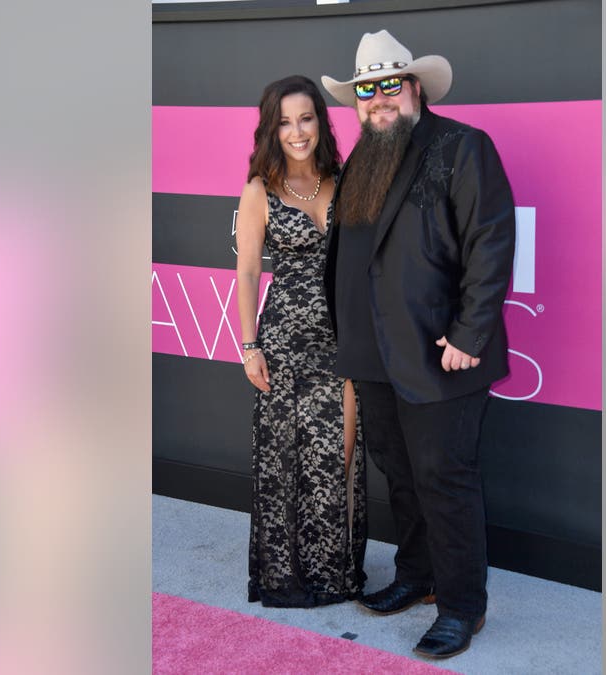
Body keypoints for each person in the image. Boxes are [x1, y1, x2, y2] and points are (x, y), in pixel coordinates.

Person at [321, 31, 516, 659]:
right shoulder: (363, 158)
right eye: (365, 91)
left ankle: (463, 606)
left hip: (441, 352)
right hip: (373, 354)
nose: (378, 100)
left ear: (415, 88)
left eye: (389, 85)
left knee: (444, 479)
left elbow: (490, 241)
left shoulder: (462, 147)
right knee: (400, 474)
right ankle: (416, 575)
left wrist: (470, 333)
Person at [235, 75, 367, 608]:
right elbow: (246, 273)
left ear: (320, 122)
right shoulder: (258, 190)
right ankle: (289, 575)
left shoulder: (346, 179)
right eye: (285, 121)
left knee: (339, 454)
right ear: (272, 128)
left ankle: (336, 572)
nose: (297, 131)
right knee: (289, 460)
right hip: (285, 343)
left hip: (344, 340)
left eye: (306, 118)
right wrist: (250, 346)